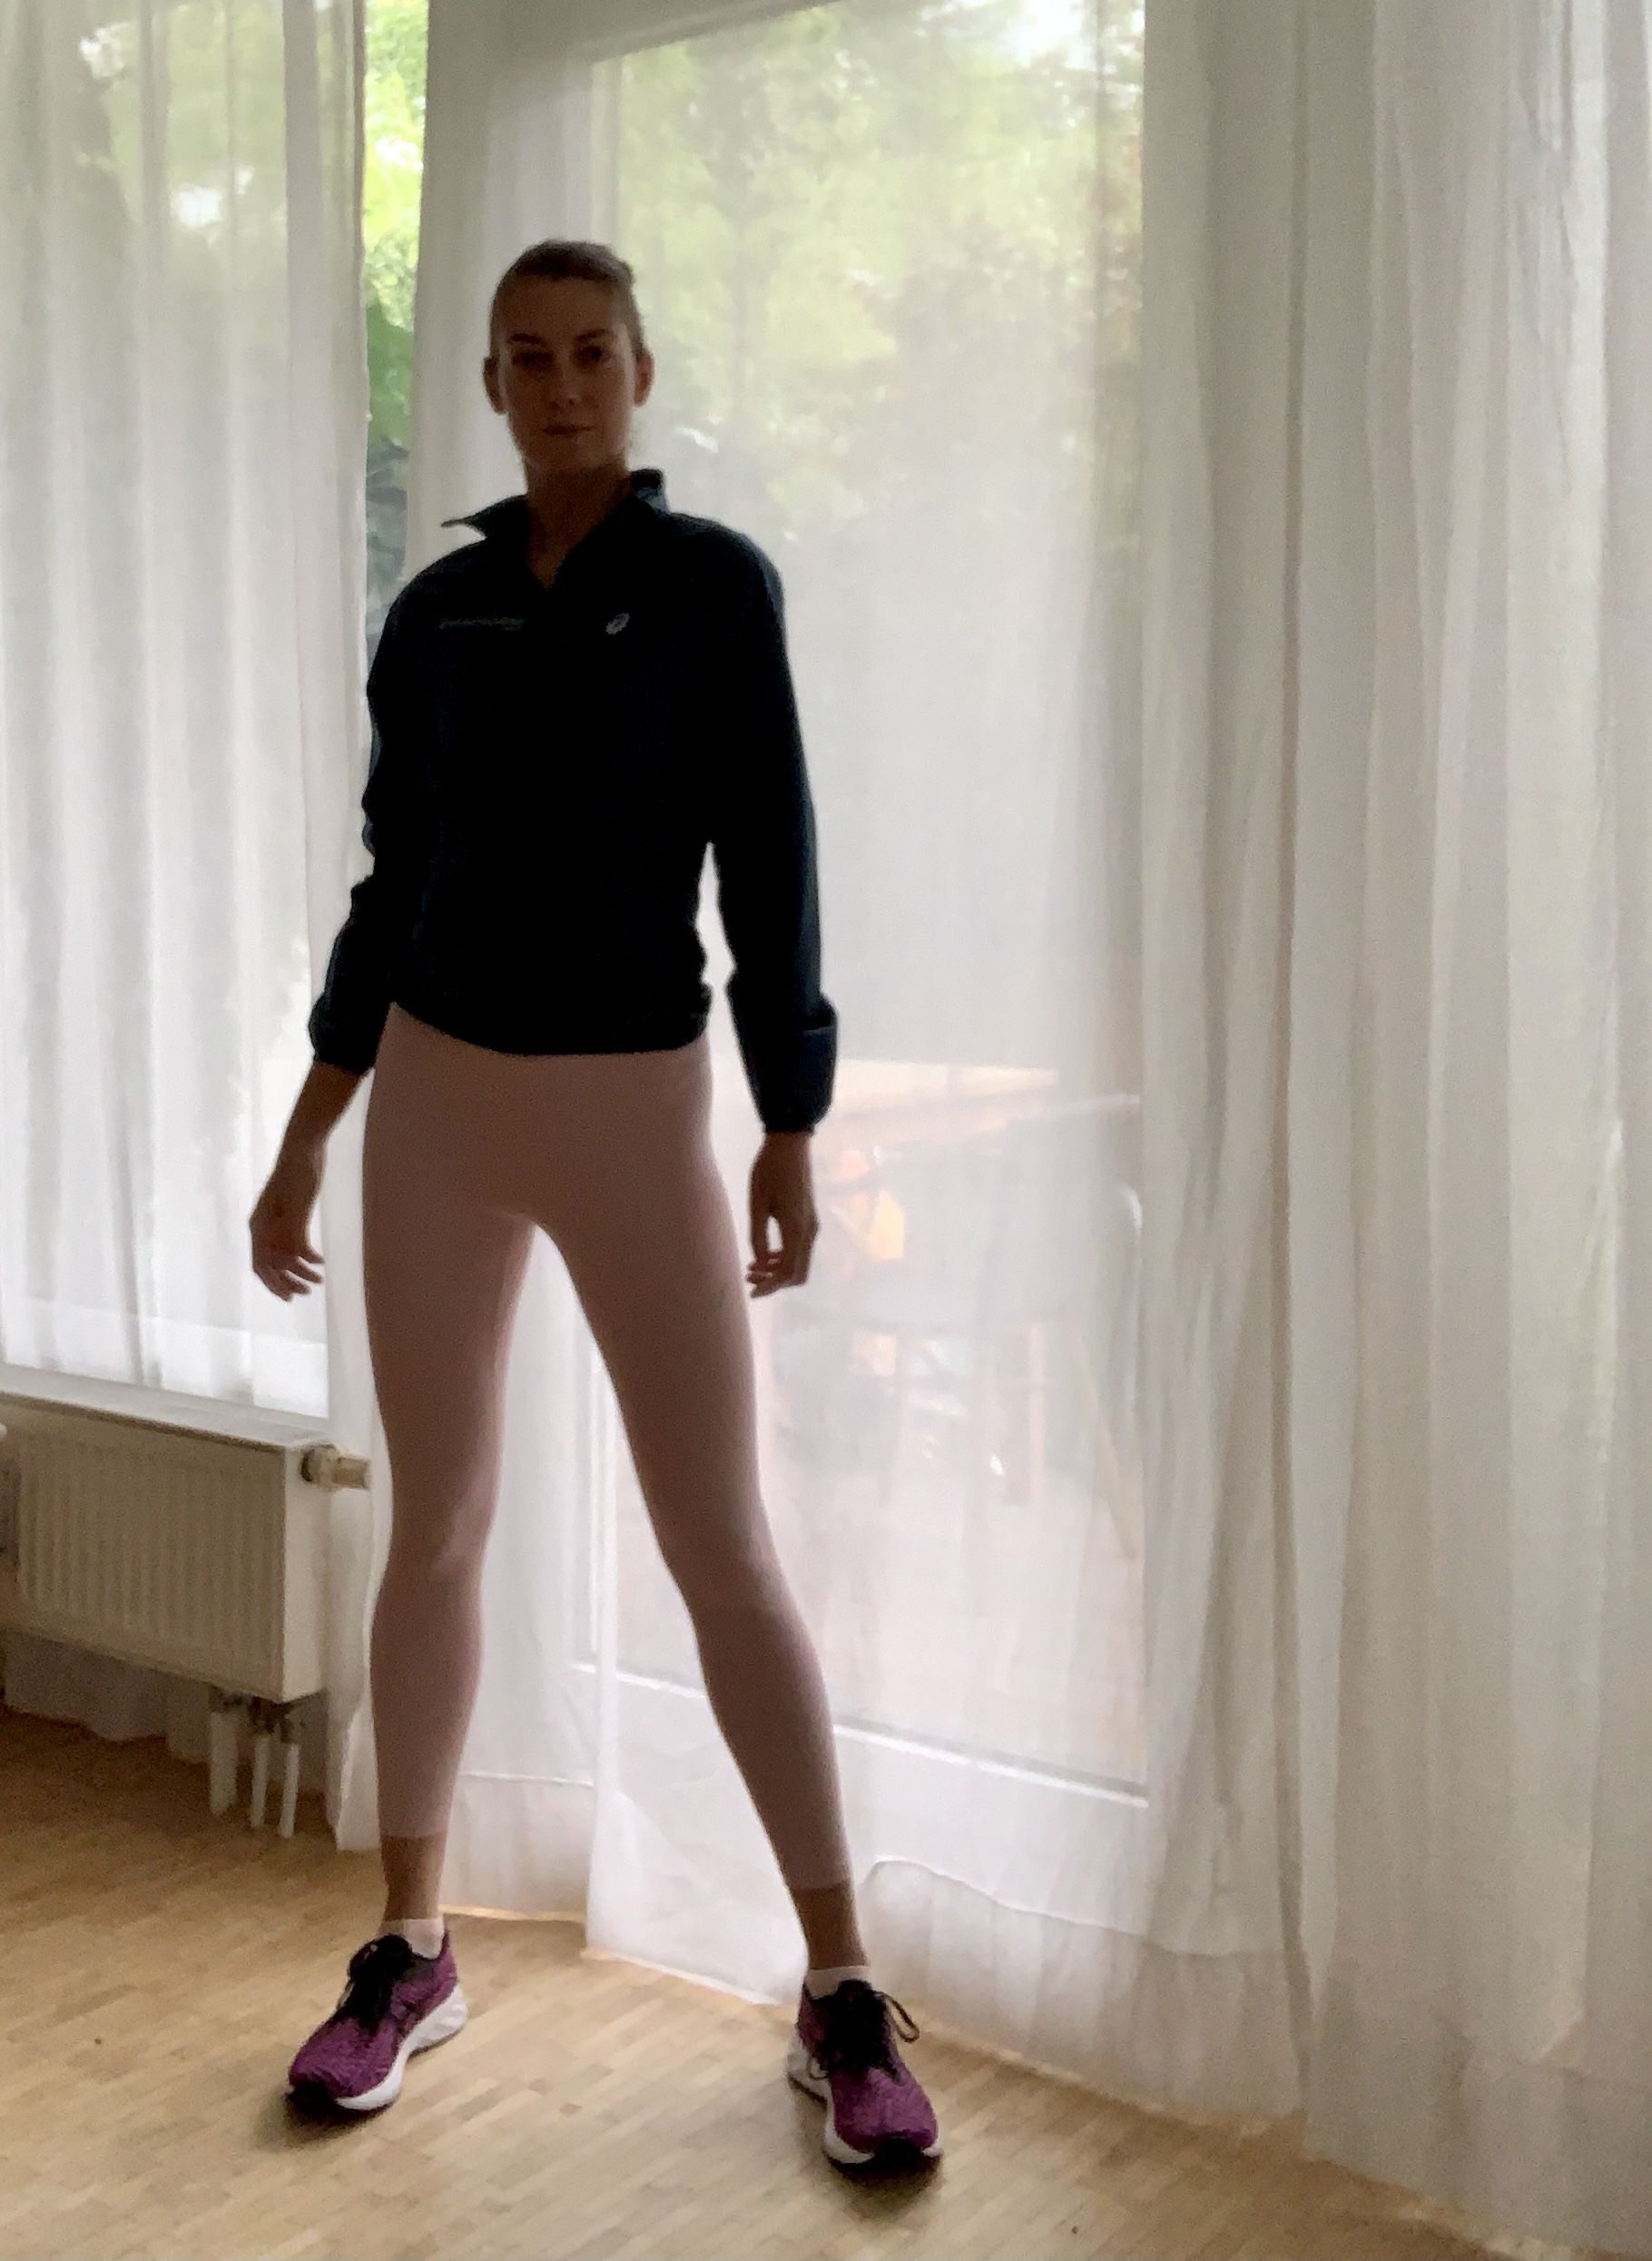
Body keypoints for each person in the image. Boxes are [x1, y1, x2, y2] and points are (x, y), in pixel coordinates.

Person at [249, 240, 940, 2170]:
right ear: (488, 384)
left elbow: (772, 859)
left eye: (591, 355)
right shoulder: (438, 612)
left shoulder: (713, 589)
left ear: (639, 374)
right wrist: (309, 1128)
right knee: (437, 1528)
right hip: (441, 1101)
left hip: (640, 1108)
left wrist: (790, 1120)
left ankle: (841, 1984)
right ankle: (409, 1946)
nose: (560, 386)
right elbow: (392, 883)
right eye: (526, 358)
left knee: (721, 1541)